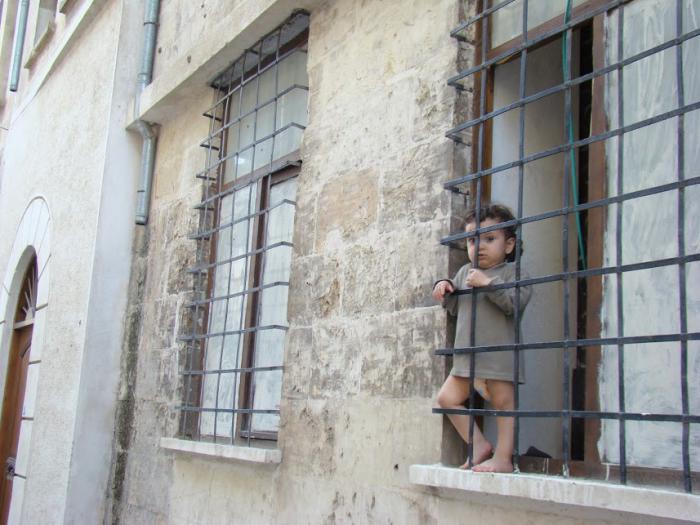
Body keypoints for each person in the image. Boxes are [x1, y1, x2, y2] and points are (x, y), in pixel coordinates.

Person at [432, 204, 531, 473]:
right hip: (467, 357)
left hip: (498, 356)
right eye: (473, 240)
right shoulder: (465, 272)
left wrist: (488, 284)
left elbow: (514, 305)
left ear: (509, 245)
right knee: (446, 399)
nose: (480, 247)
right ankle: (478, 445)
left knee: (504, 405)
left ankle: (503, 458)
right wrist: (445, 289)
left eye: (489, 239)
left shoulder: (514, 274)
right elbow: (456, 309)